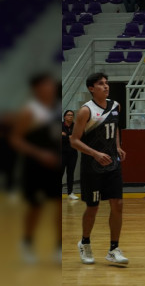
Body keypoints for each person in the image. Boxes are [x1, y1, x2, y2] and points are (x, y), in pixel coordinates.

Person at [69, 72, 128, 266]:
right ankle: (85, 242)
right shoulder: (86, 111)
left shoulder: (115, 106)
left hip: (112, 164)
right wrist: (95, 153)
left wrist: (117, 146)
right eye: (101, 84)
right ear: (91, 88)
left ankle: (114, 249)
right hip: (92, 167)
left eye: (107, 83)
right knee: (92, 208)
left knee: (117, 204)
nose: (106, 86)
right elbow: (74, 140)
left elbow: (116, 128)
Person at [10, 74, 61, 263]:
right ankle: (27, 242)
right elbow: (15, 139)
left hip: (55, 165)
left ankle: (59, 247)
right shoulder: (30, 111)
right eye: (46, 84)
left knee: (59, 204)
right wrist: (39, 154)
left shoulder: (58, 107)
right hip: (35, 166)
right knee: (36, 206)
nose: (50, 87)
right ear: (37, 88)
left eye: (51, 83)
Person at [62, 109, 79, 200]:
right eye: (68, 115)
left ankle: (70, 192)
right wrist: (69, 136)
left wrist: (65, 136)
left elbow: (76, 138)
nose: (70, 116)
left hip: (72, 153)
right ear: (64, 117)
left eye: (72, 115)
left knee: (70, 173)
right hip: (61, 153)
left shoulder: (75, 126)